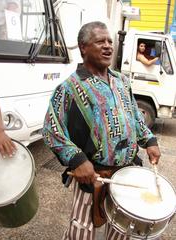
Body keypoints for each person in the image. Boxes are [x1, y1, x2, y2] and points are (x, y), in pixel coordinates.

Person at [42, 21, 161, 240]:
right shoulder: (69, 88)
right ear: (83, 48)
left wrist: (150, 140)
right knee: (82, 232)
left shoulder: (121, 81)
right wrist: (77, 160)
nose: (108, 46)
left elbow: (135, 116)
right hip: (94, 177)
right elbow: (51, 130)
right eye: (100, 41)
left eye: (109, 41)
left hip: (127, 174)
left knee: (123, 231)